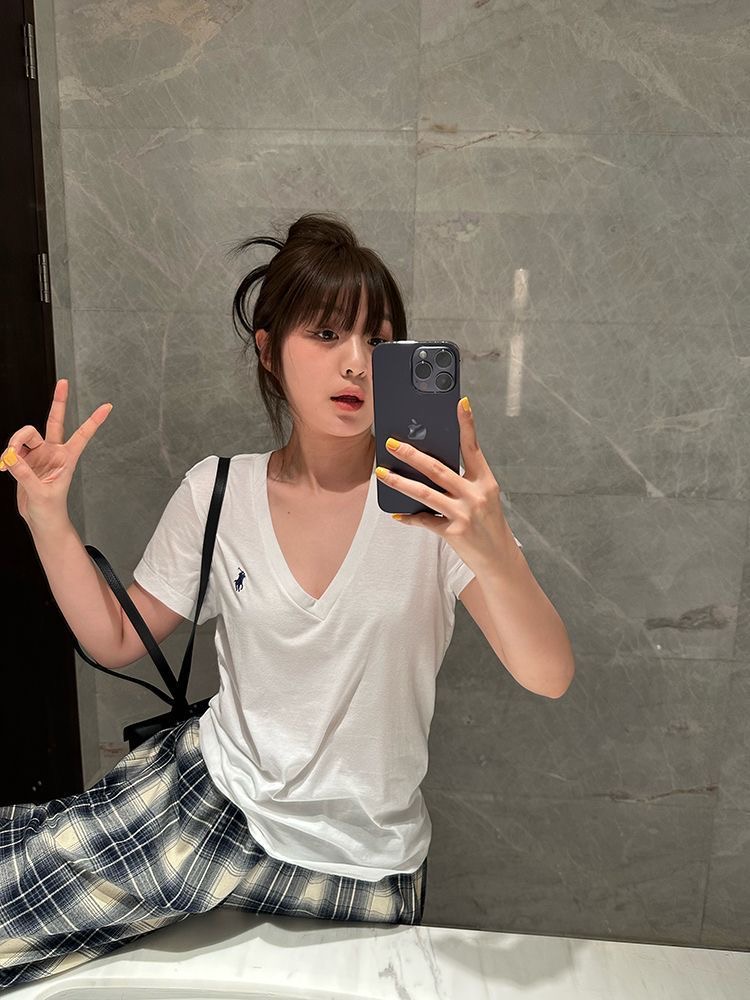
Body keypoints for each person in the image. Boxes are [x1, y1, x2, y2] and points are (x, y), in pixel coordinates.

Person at [0, 213, 568, 990]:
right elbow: (116, 639)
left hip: (368, 865)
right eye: (326, 333)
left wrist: (493, 548)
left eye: (378, 340)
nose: (356, 362)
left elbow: (548, 674)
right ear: (269, 351)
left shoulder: (442, 512)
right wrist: (47, 517)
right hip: (214, 805)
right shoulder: (218, 491)